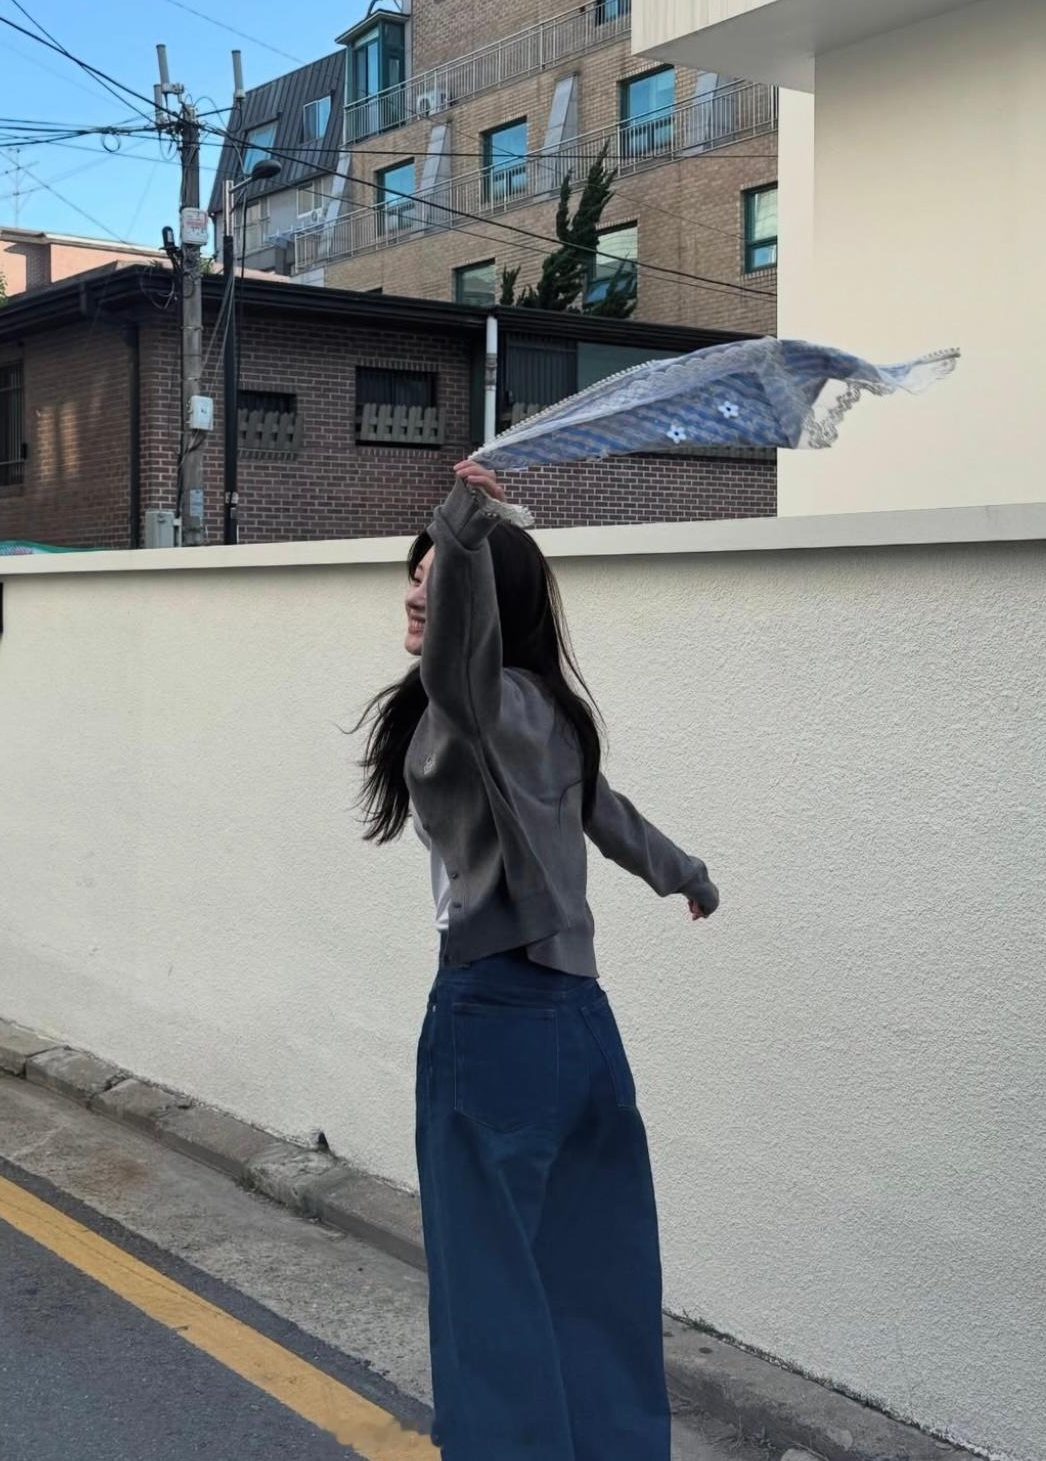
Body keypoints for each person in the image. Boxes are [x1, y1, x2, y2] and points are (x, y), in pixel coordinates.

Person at [357, 459, 719, 1460]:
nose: (418, 591)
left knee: (490, 1304)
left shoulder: (480, 705)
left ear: (483, 598)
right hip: (583, 1027)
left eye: (436, 578)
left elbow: (452, 670)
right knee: (594, 1283)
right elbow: (610, 814)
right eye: (414, 573)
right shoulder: (550, 713)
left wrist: (461, 518)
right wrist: (687, 874)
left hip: (492, 1021)